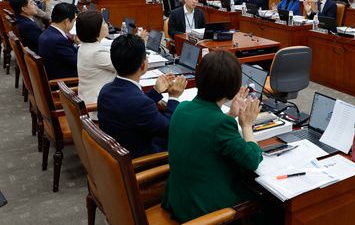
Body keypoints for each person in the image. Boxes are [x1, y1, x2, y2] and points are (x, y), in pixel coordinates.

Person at [162, 51, 263, 223]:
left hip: (178, 200)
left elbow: (206, 132)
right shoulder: (221, 124)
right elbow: (253, 159)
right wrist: (246, 125)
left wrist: (231, 115)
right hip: (202, 211)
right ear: (232, 88)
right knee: (266, 201)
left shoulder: (181, 108)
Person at [97, 34, 187, 158]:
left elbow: (132, 108)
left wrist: (155, 91)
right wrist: (174, 97)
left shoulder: (105, 90)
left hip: (119, 152)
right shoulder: (141, 104)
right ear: (143, 65)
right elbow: (170, 128)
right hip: (142, 161)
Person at [76, 10, 116, 104]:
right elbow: (126, 67)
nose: (107, 24)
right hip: (98, 106)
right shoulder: (97, 52)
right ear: (96, 28)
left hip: (88, 98)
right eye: (104, 22)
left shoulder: (83, 46)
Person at [38, 3, 78, 80]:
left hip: (54, 72)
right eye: (73, 21)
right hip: (64, 81)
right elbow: (77, 62)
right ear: (66, 21)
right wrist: (79, 45)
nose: (74, 24)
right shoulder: (58, 40)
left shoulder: (48, 32)